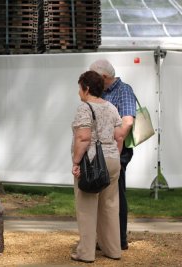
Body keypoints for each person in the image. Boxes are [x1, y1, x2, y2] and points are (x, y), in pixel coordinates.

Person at [71, 70, 123, 263]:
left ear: (86, 88)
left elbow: (83, 137)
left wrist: (76, 162)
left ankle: (85, 253)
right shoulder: (111, 107)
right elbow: (119, 136)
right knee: (110, 206)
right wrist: (114, 155)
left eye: (79, 88)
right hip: (112, 161)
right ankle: (113, 250)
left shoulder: (84, 108)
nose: (78, 93)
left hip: (91, 162)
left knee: (86, 207)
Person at [89, 59, 136, 250]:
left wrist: (116, 151)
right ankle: (106, 239)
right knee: (104, 194)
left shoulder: (123, 90)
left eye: (94, 77)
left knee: (115, 194)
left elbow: (127, 122)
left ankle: (119, 240)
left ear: (104, 77)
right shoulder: (102, 92)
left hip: (118, 150)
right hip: (104, 151)